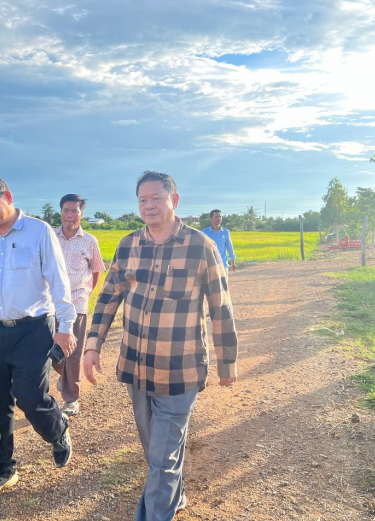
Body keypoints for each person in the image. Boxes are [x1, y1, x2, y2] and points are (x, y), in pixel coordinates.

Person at [83, 171, 239, 521]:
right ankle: (175, 494)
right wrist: (92, 345)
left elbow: (221, 308)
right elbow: (108, 298)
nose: (149, 205)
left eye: (156, 198)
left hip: (179, 370)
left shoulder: (201, 247)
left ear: (174, 201)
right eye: (143, 200)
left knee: (162, 458)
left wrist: (226, 362)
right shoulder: (128, 245)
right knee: (156, 449)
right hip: (137, 367)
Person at [0, 175, 78, 502]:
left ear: (7, 196)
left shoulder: (38, 231)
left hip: (34, 327)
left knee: (31, 398)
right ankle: (1, 470)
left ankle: (57, 429)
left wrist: (66, 326)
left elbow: (59, 281)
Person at [52, 194, 105, 416]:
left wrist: (86, 293)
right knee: (49, 351)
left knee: (72, 353)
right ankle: (65, 377)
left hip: (77, 304)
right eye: (66, 210)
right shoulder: (50, 237)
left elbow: (96, 271)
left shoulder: (89, 241)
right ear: (61, 212)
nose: (70, 215)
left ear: (81, 214)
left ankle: (71, 398)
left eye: (74, 211)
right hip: (50, 304)